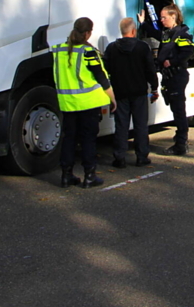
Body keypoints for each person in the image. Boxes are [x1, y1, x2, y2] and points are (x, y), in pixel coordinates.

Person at [51, 17, 117, 188]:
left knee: (69, 140)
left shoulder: (58, 50)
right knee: (88, 140)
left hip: (67, 104)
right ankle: (89, 176)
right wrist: (112, 98)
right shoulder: (88, 52)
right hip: (88, 104)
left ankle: (66, 176)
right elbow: (101, 78)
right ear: (88, 33)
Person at [104, 17, 159, 168]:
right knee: (141, 125)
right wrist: (154, 87)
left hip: (120, 92)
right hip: (139, 92)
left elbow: (106, 68)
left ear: (122, 31)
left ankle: (119, 157)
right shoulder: (142, 47)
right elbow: (150, 69)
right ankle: (141, 156)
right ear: (134, 31)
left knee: (121, 125)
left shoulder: (111, 48)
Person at [139, 3, 194, 156]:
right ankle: (180, 139)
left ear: (173, 17)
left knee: (179, 111)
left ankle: (181, 144)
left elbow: (189, 51)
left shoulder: (181, 34)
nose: (162, 20)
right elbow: (156, 34)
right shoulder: (167, 33)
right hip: (169, 77)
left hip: (177, 75)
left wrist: (172, 61)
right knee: (175, 109)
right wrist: (143, 23)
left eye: (164, 17)